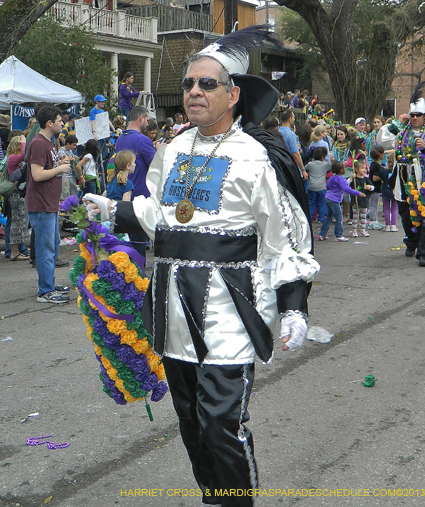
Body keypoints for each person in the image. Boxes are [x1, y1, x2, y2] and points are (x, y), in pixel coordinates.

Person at [83, 26, 318, 504]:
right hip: (171, 308)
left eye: (207, 84)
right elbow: (160, 216)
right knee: (191, 422)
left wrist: (294, 305)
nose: (194, 91)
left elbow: (283, 240)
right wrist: (114, 211)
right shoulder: (172, 150)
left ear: (233, 95)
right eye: (190, 83)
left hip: (229, 310)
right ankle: (216, 498)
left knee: (221, 423)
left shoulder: (255, 157)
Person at [378, 82, 425, 266]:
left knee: (424, 214)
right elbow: (382, 142)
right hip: (403, 178)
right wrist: (397, 123)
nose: (415, 118)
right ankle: (411, 241)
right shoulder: (401, 131)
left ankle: (424, 252)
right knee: (406, 214)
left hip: (424, 180)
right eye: (412, 115)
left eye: (418, 115)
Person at [27, 104, 73, 304]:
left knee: (52, 246)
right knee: (46, 248)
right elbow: (37, 175)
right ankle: (45, 291)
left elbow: (47, 167)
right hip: (41, 204)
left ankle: (49, 284)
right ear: (49, 123)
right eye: (59, 120)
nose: (62, 123)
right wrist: (60, 169)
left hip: (49, 204)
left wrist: (59, 163)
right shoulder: (38, 143)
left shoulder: (50, 142)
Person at [114, 105, 158, 260]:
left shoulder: (121, 139)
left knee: (128, 245)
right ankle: (138, 280)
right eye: (147, 119)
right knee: (139, 245)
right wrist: (159, 151)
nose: (148, 123)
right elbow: (156, 167)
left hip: (125, 196)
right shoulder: (143, 140)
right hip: (141, 198)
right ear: (141, 118)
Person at [319, 160, 365, 241]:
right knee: (339, 217)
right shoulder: (341, 179)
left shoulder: (332, 177)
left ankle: (322, 234)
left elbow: (328, 186)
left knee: (329, 217)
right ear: (341, 170)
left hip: (328, 197)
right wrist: (358, 193)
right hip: (334, 200)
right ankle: (338, 235)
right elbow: (346, 189)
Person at [4, 135, 31, 261]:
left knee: (19, 222)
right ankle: (13, 251)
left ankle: (18, 250)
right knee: (15, 222)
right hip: (15, 193)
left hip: (19, 193)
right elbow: (25, 154)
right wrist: (25, 142)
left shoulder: (13, 159)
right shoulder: (12, 158)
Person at [278, 110, 308, 181]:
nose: (294, 119)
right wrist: (303, 170)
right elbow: (295, 154)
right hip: (291, 168)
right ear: (289, 119)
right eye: (293, 118)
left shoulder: (277, 133)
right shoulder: (290, 135)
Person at [306, 147, 331, 224]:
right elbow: (331, 167)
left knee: (311, 202)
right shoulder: (326, 165)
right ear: (322, 157)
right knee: (322, 202)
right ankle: (321, 218)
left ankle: (310, 217)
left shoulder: (310, 164)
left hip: (311, 186)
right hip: (322, 186)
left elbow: (305, 169)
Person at [350, 160, 374, 237]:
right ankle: (354, 231)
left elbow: (373, 187)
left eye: (365, 168)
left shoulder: (366, 179)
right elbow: (346, 185)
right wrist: (351, 178)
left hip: (364, 201)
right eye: (362, 168)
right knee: (355, 217)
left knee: (363, 217)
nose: (364, 170)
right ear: (356, 170)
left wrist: (370, 187)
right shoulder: (354, 180)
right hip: (355, 201)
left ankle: (363, 230)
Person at [381, 151, 399, 231]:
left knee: (387, 208)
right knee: (394, 208)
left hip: (385, 190)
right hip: (395, 190)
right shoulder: (397, 170)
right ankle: (393, 225)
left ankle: (387, 225)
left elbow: (381, 180)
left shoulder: (384, 171)